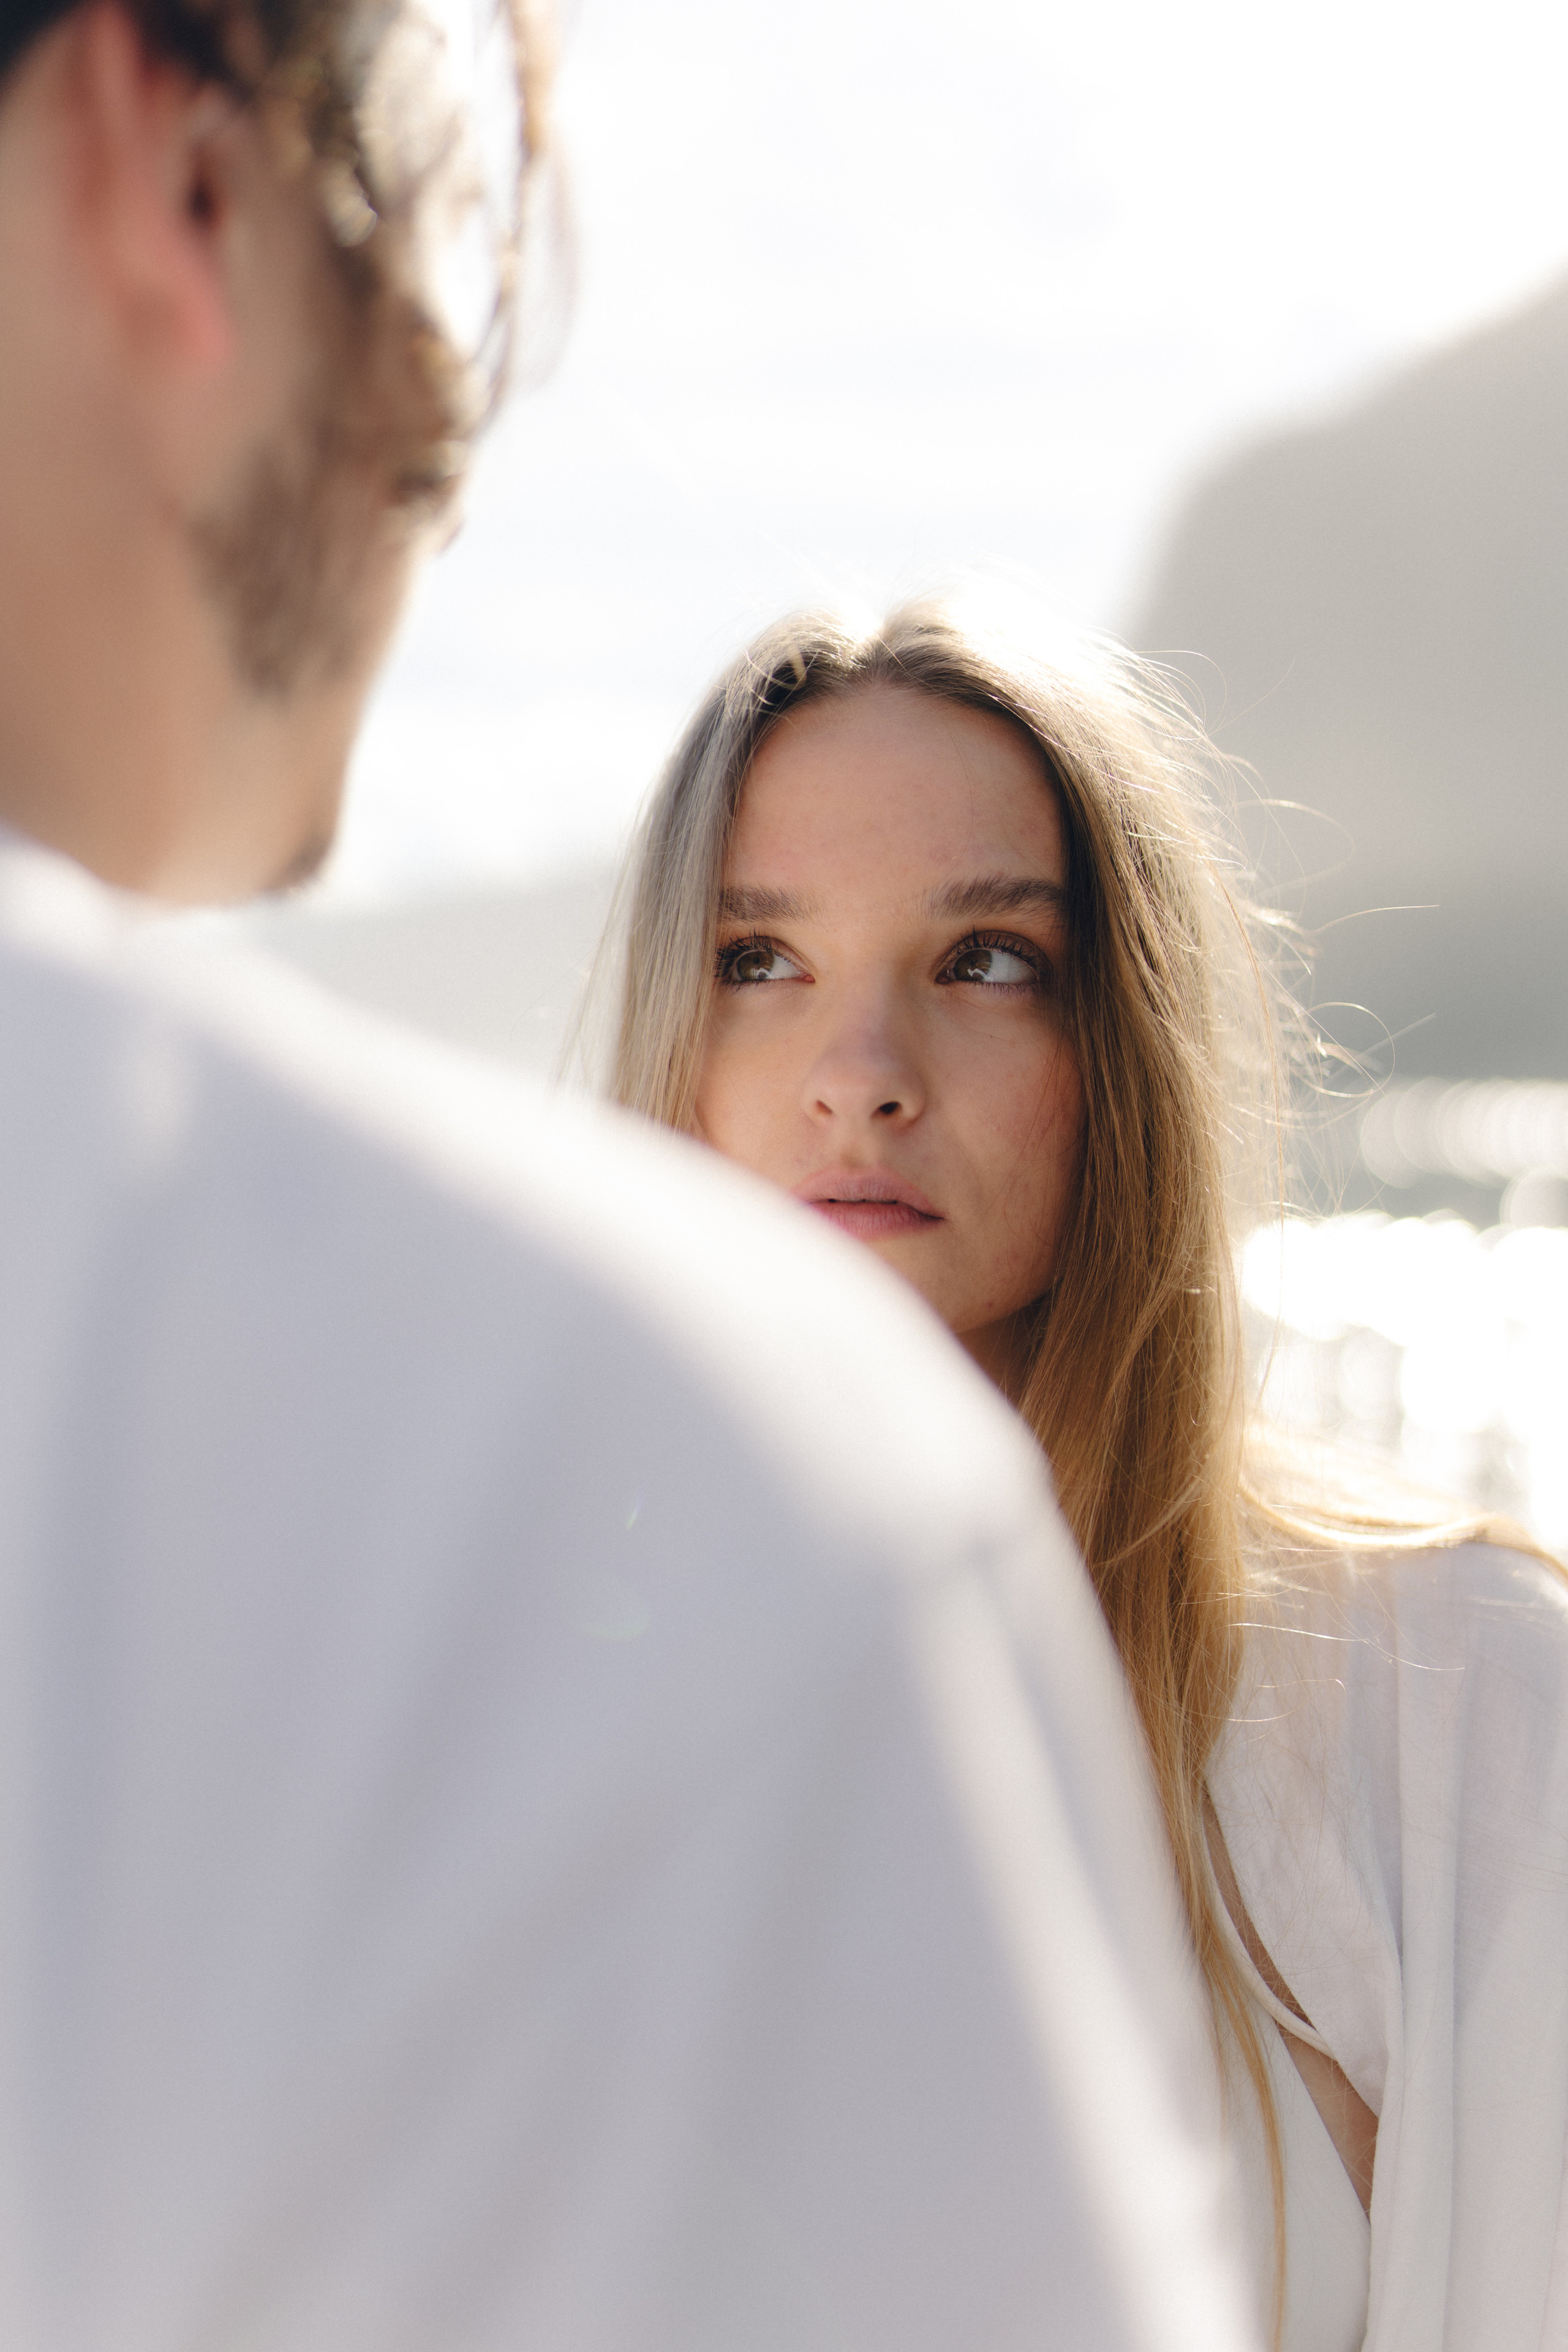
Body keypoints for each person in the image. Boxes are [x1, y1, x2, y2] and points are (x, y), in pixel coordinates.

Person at [0, 4, 1261, 2345]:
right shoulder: (706, 1496)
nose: (447, 420)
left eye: (990, 960)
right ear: (170, 176)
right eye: (442, 241)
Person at [594, 592, 1568, 2352]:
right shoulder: (513, 1712)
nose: (861, 1079)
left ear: (1121, 1045)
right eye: (757, 959)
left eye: (985, 960)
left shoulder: (1462, 1701)